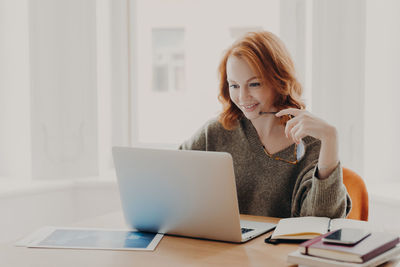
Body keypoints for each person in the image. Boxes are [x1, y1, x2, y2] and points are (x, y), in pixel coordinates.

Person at [179, 31, 351, 218]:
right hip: (221, 246)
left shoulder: (311, 142)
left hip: (281, 248)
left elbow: (321, 222)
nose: (243, 97)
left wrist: (331, 140)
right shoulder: (215, 132)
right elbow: (171, 179)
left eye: (254, 84)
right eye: (234, 85)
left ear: (278, 80)